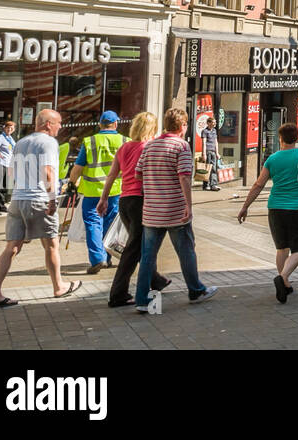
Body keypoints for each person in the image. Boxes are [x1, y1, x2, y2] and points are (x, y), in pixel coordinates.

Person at [0, 110, 81, 308]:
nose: (61, 126)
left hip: (18, 200)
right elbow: (48, 172)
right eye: (58, 123)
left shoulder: (21, 142)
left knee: (11, 247)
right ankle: (59, 286)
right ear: (47, 124)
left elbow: (12, 171)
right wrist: (52, 200)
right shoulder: (48, 143)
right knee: (51, 244)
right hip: (38, 199)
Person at [134, 108, 218, 313]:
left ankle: (142, 299)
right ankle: (196, 290)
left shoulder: (150, 145)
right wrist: (189, 206)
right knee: (186, 251)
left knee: (147, 256)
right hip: (175, 210)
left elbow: (138, 174)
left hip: (152, 211)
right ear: (182, 126)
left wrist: (155, 183)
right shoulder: (181, 146)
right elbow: (184, 177)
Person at [238, 122, 298, 303]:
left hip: (276, 208)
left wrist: (245, 206)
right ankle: (283, 277)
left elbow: (258, 184)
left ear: (280, 138)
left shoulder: (272, 159)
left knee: (281, 247)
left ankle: (284, 282)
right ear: (297, 138)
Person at [97, 111, 171, 308]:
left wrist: (103, 199)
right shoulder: (149, 147)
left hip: (125, 201)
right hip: (141, 200)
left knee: (137, 245)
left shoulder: (124, 148)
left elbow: (112, 175)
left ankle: (156, 280)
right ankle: (118, 293)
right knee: (133, 249)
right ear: (152, 129)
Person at [69, 110, 127, 274]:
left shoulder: (90, 141)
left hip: (93, 191)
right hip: (116, 190)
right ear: (116, 124)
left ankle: (97, 259)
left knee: (93, 224)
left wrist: (71, 183)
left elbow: (78, 167)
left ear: (100, 124)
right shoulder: (125, 141)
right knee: (109, 224)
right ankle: (107, 258)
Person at [201, 116, 221, 192]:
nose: (214, 124)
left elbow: (216, 142)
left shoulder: (214, 131)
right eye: (213, 122)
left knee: (214, 168)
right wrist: (204, 154)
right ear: (208, 123)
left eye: (215, 122)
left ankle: (214, 184)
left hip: (213, 151)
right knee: (207, 168)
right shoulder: (205, 131)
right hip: (208, 151)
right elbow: (204, 143)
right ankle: (206, 185)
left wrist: (217, 152)